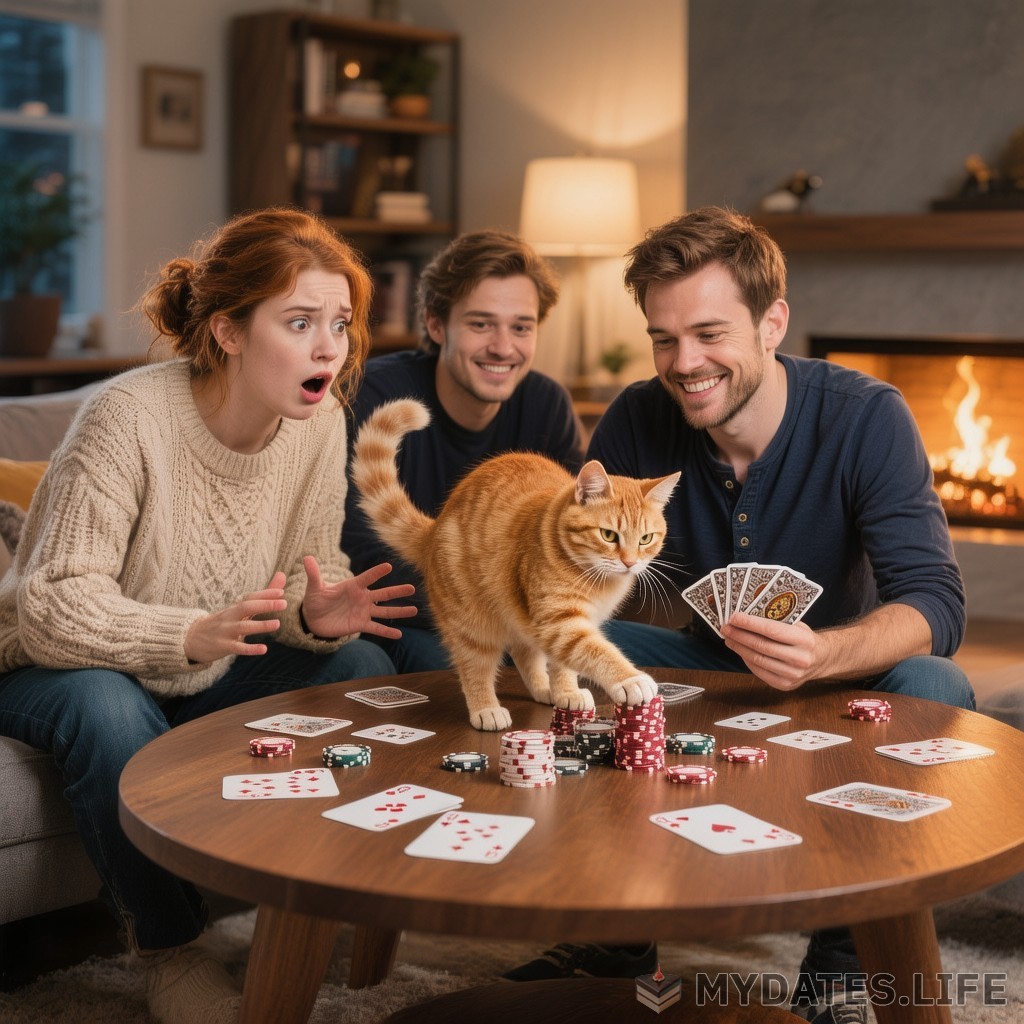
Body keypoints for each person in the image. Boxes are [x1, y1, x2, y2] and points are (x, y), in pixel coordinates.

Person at [0, 207, 416, 1024]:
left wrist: (316, 612)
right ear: (228, 331)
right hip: (49, 662)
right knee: (106, 705)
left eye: (339, 324)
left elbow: (302, 572)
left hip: (204, 660)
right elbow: (50, 604)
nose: (329, 348)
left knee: (361, 666)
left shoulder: (320, 425)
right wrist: (183, 635)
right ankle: (170, 950)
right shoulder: (127, 418)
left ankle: (316, 895)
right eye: (299, 322)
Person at [586, 205, 975, 1024]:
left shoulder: (866, 416)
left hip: (841, 677)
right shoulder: (636, 417)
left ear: (773, 323)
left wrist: (822, 653)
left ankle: (842, 963)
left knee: (936, 682)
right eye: (663, 338)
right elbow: (574, 582)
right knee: (567, 646)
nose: (684, 363)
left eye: (709, 334)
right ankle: (611, 943)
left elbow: (936, 602)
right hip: (708, 666)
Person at [342, 229, 586, 673]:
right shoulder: (374, 396)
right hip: (410, 624)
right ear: (436, 325)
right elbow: (363, 555)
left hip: (518, 620)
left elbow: (568, 548)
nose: (503, 347)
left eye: (521, 327)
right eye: (480, 324)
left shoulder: (547, 405)